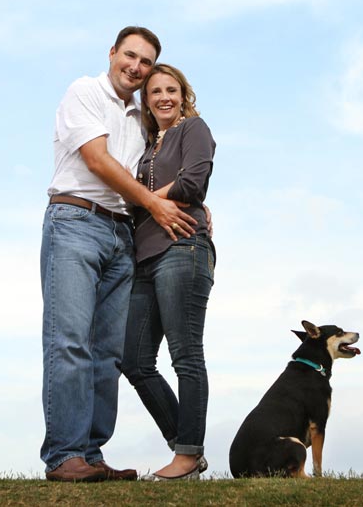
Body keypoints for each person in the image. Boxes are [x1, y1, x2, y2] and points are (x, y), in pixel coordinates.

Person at [40, 27, 198, 483]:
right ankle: (64, 455)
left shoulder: (140, 117)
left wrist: (189, 201)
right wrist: (153, 204)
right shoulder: (84, 91)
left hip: (121, 234)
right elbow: (97, 160)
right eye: (130, 55)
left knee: (107, 352)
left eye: (145, 62)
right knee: (70, 341)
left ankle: (89, 454)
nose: (136, 66)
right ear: (112, 53)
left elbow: (148, 181)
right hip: (75, 223)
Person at [121, 64, 216, 481]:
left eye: (171, 90)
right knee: (134, 359)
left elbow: (193, 183)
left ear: (183, 94)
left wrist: (142, 199)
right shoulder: (146, 146)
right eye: (155, 91)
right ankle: (187, 446)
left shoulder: (192, 129)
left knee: (185, 355)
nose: (163, 97)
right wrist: (148, 200)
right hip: (145, 256)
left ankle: (187, 454)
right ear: (146, 99)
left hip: (183, 247)